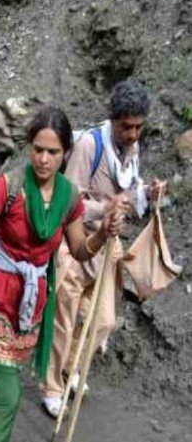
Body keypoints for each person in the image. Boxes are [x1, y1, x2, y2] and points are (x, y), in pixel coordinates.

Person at [0, 106, 125, 442]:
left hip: (30, 306)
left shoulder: (69, 197)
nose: (43, 158)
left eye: (53, 152)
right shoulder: (9, 186)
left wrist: (102, 232)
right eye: (37, 149)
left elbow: (80, 248)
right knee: (9, 392)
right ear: (28, 147)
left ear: (65, 153)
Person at [42, 80, 163, 417]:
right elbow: (71, 198)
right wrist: (108, 207)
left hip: (108, 245)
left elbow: (129, 192)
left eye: (139, 127)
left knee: (103, 321)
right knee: (64, 319)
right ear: (113, 119)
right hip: (77, 242)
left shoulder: (132, 149)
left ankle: (71, 369)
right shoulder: (89, 146)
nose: (134, 134)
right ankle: (52, 388)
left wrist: (147, 194)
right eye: (127, 127)